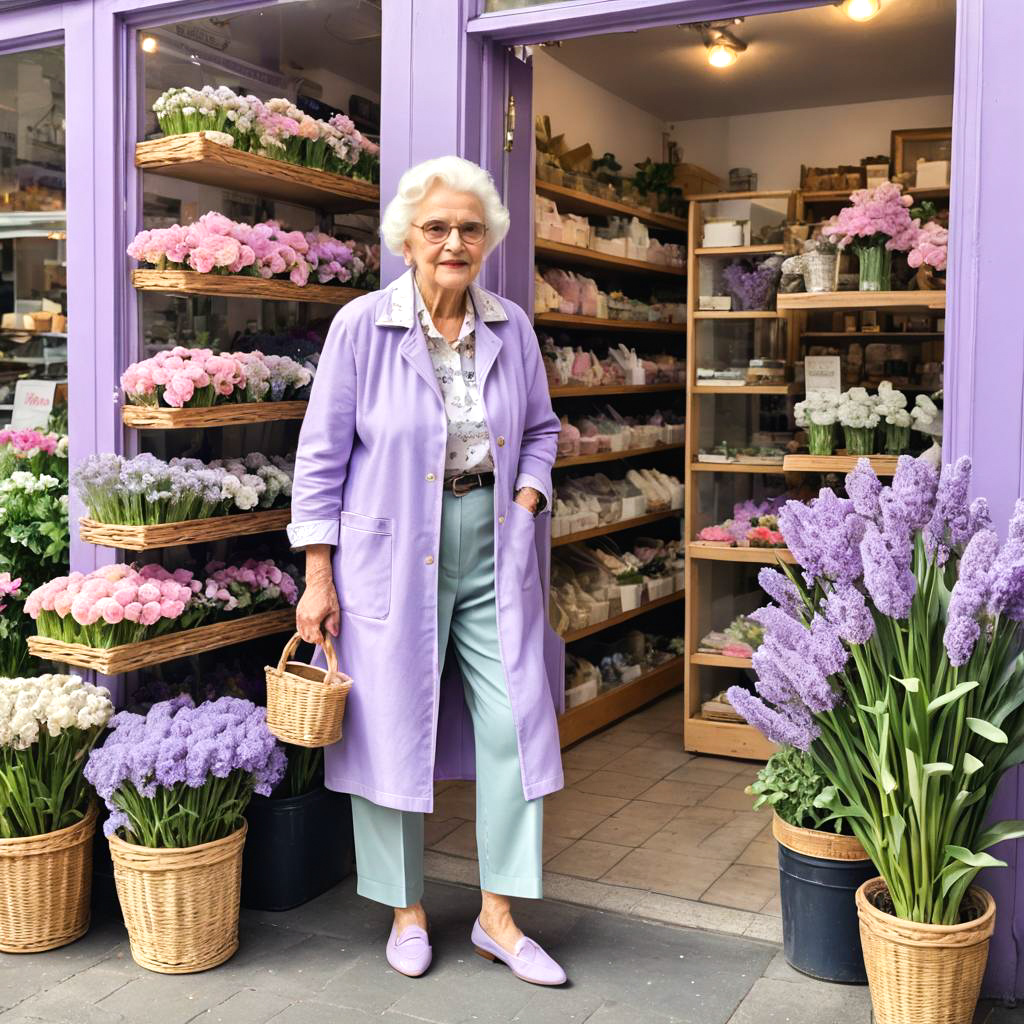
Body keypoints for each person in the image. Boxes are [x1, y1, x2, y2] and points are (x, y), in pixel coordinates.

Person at [288, 155, 567, 985]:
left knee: (518, 722)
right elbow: (320, 458)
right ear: (406, 239)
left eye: (470, 228)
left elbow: (545, 430)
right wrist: (318, 575)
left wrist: (526, 499)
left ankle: (499, 917)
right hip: (387, 547)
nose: (454, 242)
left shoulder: (512, 325)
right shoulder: (361, 327)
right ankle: (405, 910)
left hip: (494, 542)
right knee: (389, 723)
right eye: (438, 227)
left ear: (488, 240)